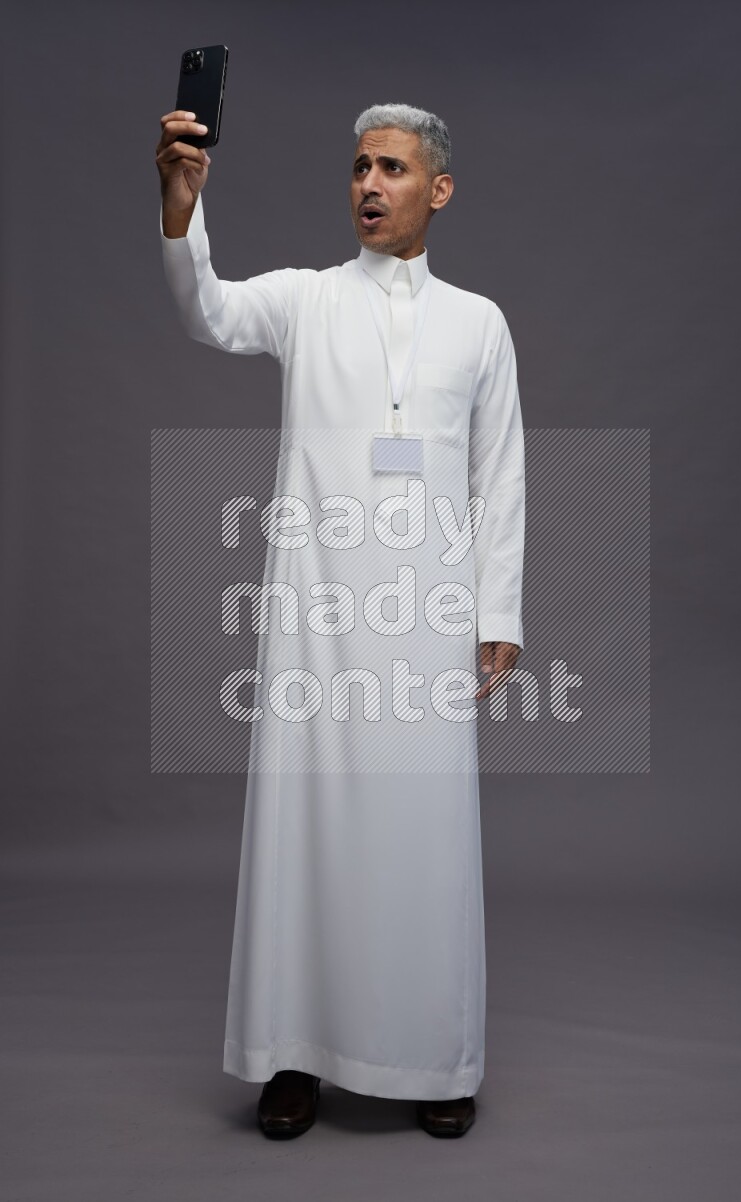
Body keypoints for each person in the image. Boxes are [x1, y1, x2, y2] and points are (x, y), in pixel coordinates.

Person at [155, 101, 525, 1139]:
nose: (369, 184)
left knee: (425, 837)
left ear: (437, 190)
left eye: (392, 169)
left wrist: (496, 608)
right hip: (316, 618)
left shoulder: (479, 323)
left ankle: (435, 1056)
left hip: (426, 618)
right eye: (360, 166)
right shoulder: (306, 301)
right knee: (306, 831)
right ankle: (293, 1055)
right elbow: (209, 311)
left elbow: (500, 474)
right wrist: (181, 207)